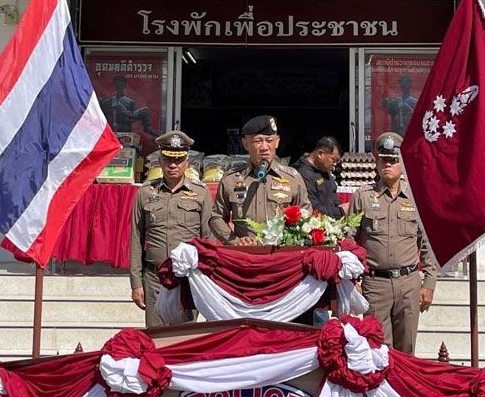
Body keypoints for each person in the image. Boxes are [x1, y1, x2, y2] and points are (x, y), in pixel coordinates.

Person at [348, 132, 437, 355]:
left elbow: (427, 242)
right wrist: (352, 279)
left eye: (393, 160)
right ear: (376, 160)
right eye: (383, 159)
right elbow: (349, 240)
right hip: (375, 284)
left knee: (406, 350)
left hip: (408, 283)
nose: (388, 164)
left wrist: (429, 283)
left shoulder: (417, 196)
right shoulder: (363, 196)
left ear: (402, 162)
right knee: (377, 349)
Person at [129, 130, 214, 327]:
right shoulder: (145, 193)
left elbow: (207, 240)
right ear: (160, 160)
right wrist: (136, 282)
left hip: (187, 279)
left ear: (187, 162)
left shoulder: (201, 193)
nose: (173, 165)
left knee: (184, 340)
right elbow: (135, 237)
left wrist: (207, 282)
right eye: (168, 159)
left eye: (178, 160)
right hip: (154, 278)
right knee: (156, 338)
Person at [210, 115, 310, 244]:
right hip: (245, 254)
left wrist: (292, 239)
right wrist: (234, 241)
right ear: (245, 143)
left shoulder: (292, 178)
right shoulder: (231, 179)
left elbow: (306, 215)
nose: (264, 147)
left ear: (277, 141)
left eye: (269, 140)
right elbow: (216, 217)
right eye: (258, 141)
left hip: (281, 253)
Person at [295, 136, 343, 218]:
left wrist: (341, 206)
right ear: (320, 154)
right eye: (333, 160)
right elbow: (312, 207)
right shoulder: (303, 174)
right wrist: (340, 212)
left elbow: (333, 197)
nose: (335, 164)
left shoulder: (325, 169)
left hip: (331, 223)